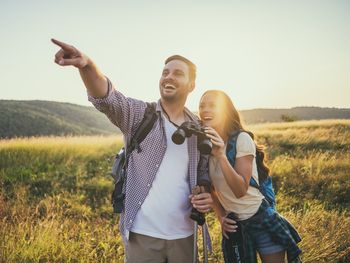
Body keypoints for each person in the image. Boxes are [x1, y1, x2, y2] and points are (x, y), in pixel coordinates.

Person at [51, 38, 212, 263]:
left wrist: (207, 194)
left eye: (177, 73)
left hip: (185, 236)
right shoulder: (139, 115)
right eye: (165, 72)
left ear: (191, 85)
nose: (168, 77)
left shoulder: (199, 129)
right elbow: (107, 98)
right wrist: (86, 65)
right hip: (142, 236)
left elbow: (204, 173)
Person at [196, 90, 302, 263]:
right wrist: (221, 216)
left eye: (213, 105)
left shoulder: (242, 139)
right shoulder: (204, 145)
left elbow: (240, 190)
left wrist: (221, 155)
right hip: (235, 225)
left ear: (225, 110)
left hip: (260, 219)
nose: (205, 109)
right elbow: (211, 188)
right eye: (202, 105)